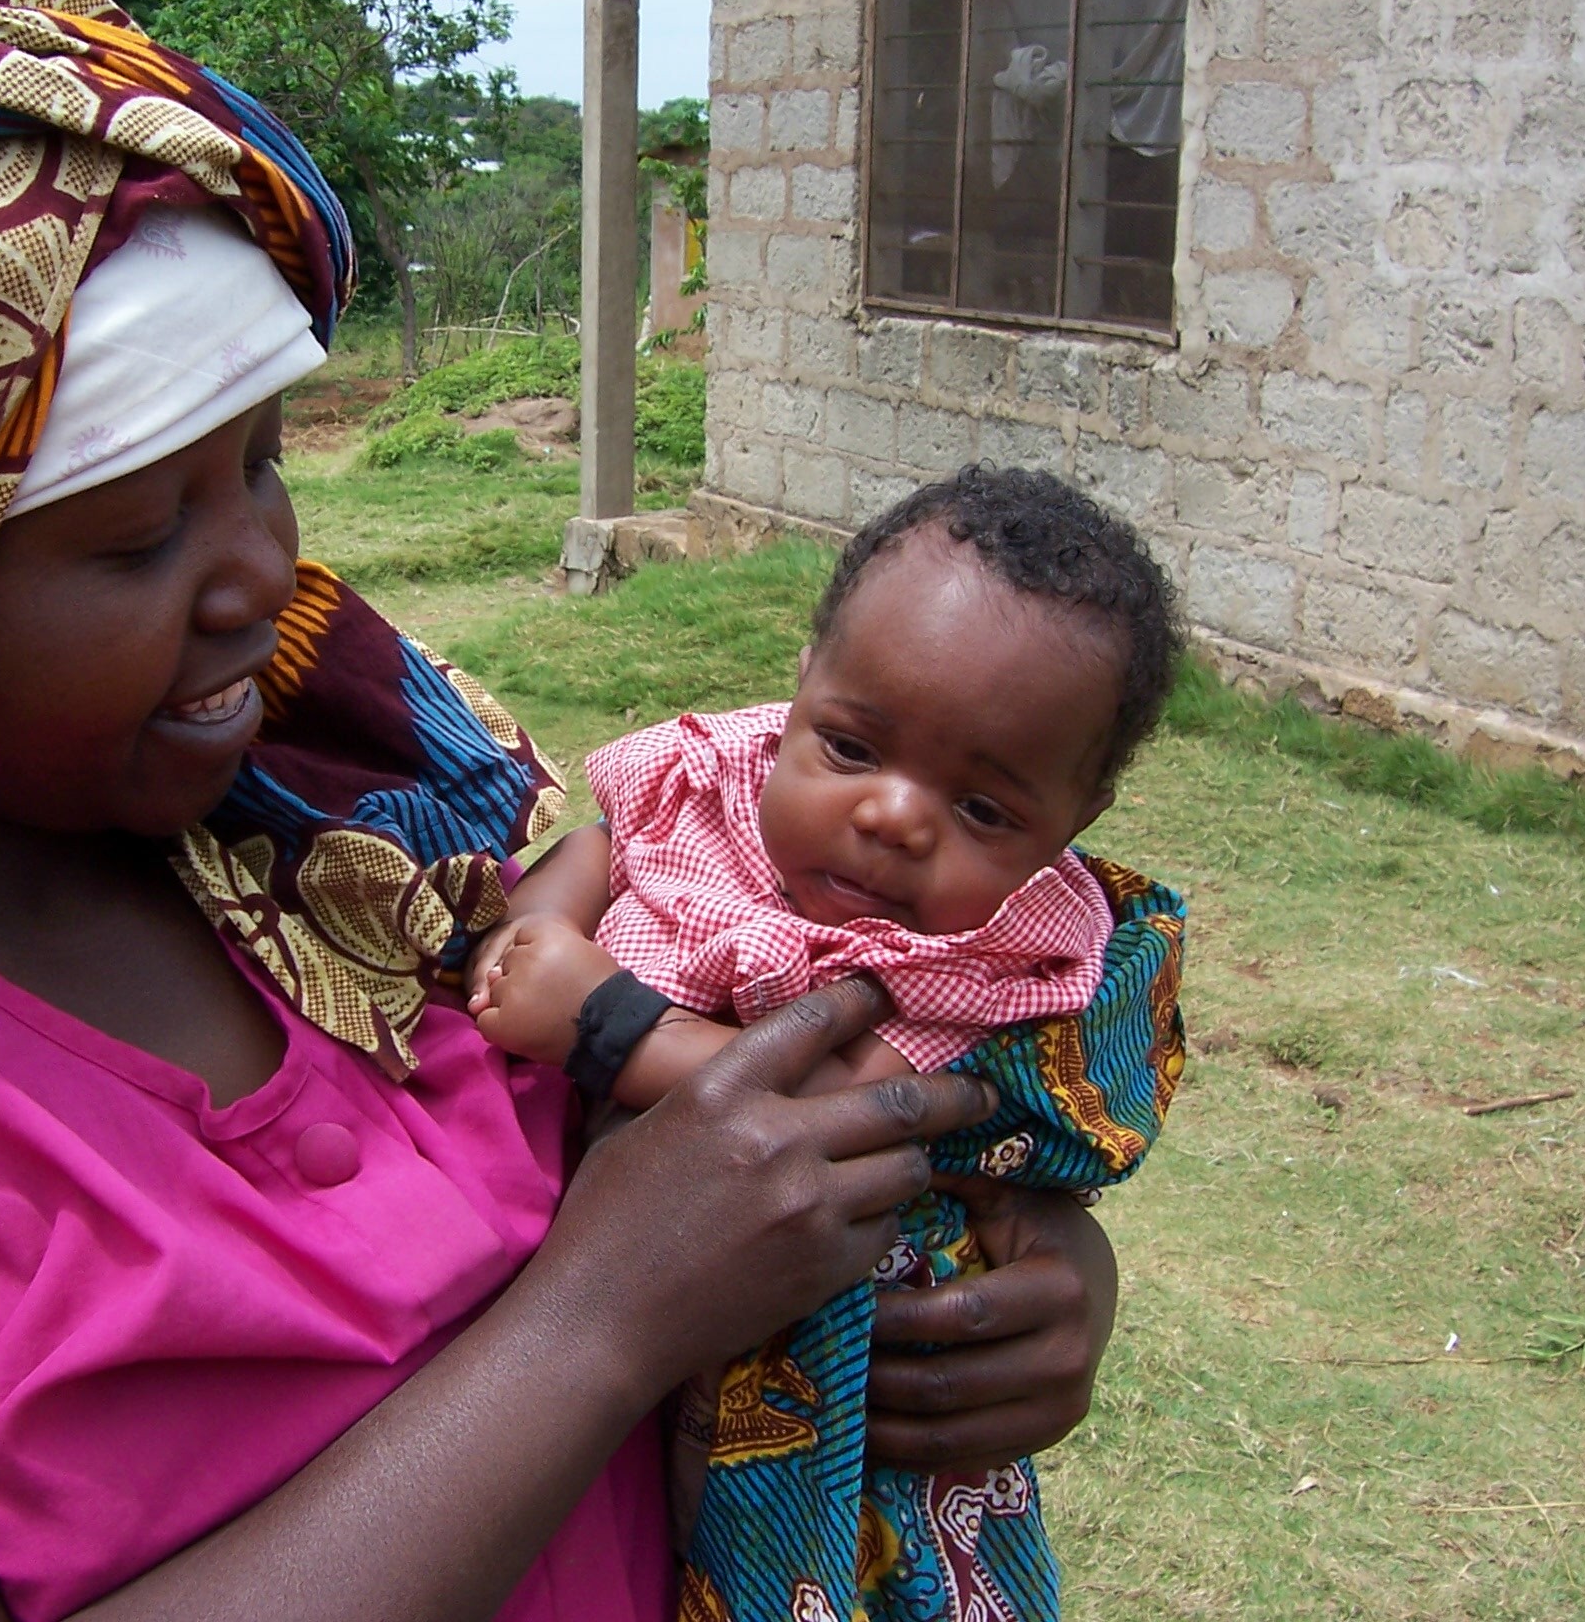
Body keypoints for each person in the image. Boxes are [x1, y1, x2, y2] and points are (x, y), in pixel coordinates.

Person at [0, 0, 1125, 1622]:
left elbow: (847, 1074)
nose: (259, 570)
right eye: (138, 534)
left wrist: (1034, 1280)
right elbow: (645, 1253)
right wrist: (596, 1316)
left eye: (260, 466)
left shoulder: (366, 860)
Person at [467, 467, 1189, 1622]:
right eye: (851, 747)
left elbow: (852, 1124)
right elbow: (555, 899)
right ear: (803, 686)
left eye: (986, 811)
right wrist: (548, 923)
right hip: (571, 1385)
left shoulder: (1020, 949)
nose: (895, 817)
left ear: (1074, 824)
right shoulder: (707, 784)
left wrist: (614, 1027)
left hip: (843, 1432)